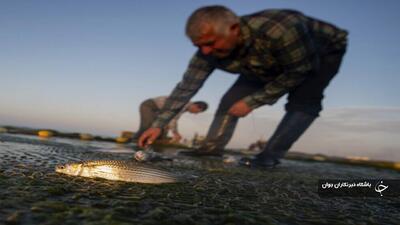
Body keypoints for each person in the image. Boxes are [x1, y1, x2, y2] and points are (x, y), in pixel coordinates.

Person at [138, 5, 348, 168]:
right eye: (199, 46)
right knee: (230, 101)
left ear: (234, 29)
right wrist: (159, 123)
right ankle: (210, 149)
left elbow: (299, 71)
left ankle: (269, 156)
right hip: (262, 59)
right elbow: (187, 87)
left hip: (319, 52)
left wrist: (253, 101)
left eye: (211, 43)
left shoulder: (280, 28)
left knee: (305, 99)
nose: (206, 51)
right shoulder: (207, 51)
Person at [133, 96, 208, 142]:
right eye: (197, 111)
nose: (195, 114)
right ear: (196, 105)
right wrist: (175, 133)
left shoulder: (185, 107)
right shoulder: (183, 104)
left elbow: (169, 119)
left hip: (159, 111)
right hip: (149, 106)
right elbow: (173, 119)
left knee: (162, 126)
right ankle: (134, 141)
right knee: (147, 126)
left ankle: (150, 142)